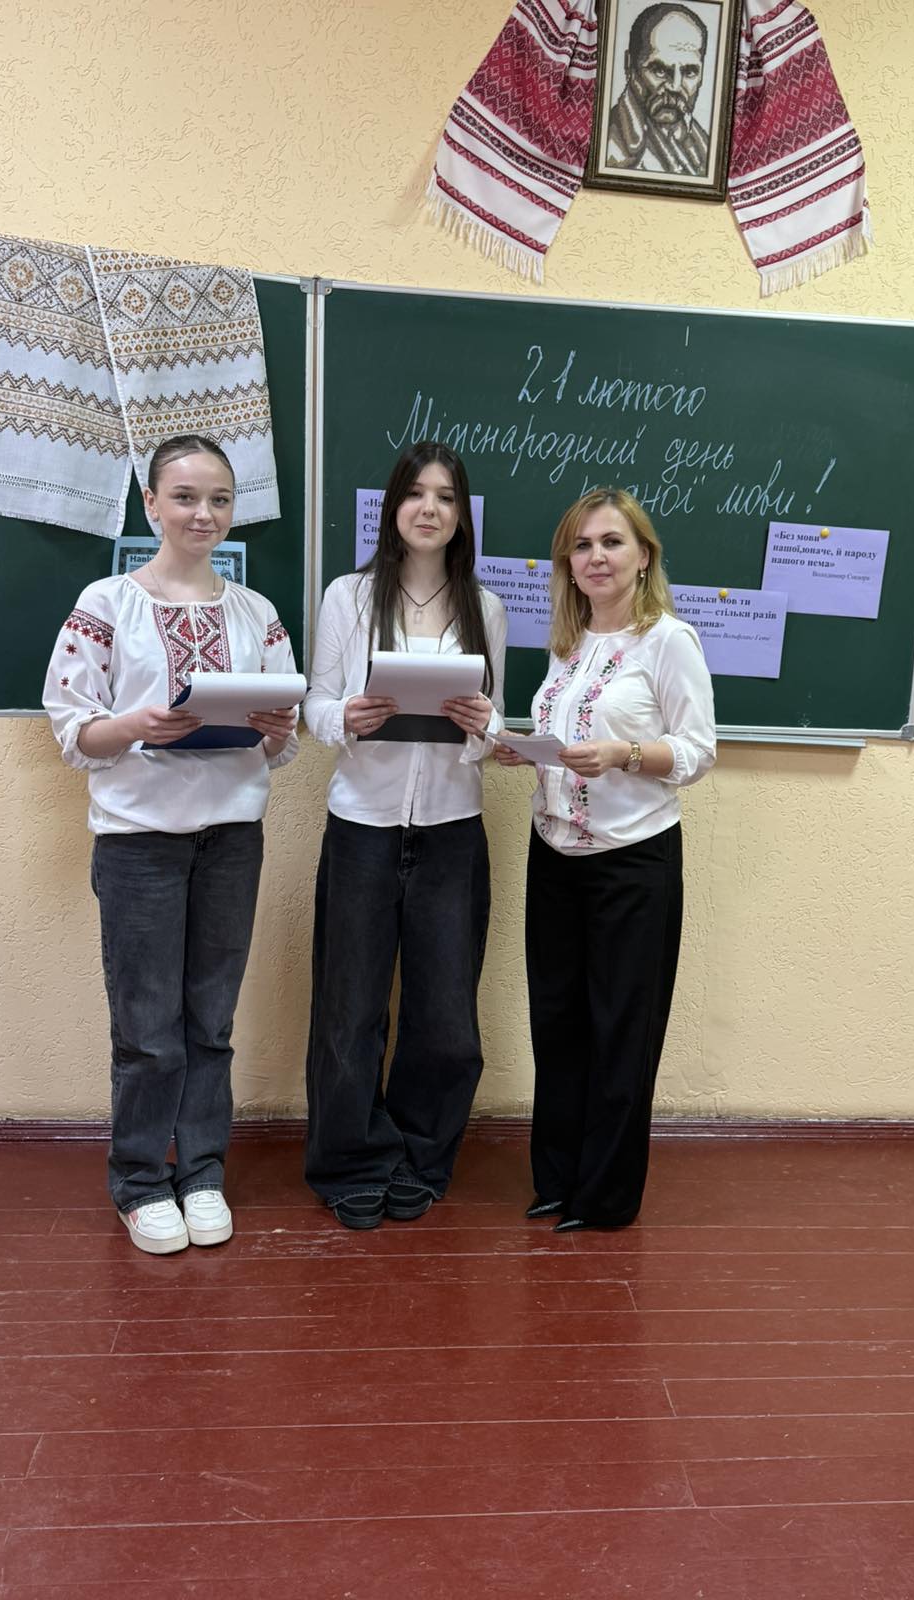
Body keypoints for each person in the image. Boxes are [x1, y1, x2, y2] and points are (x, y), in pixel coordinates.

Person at [42, 434, 300, 1256]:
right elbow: (72, 729)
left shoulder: (256, 613)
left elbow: (281, 744)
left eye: (219, 499)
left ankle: (202, 1171)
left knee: (210, 1020)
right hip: (140, 845)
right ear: (150, 504)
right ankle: (141, 1181)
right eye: (185, 497)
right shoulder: (106, 602)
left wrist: (274, 728)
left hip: (231, 839)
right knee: (148, 1029)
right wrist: (134, 726)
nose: (203, 514)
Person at [494, 488, 715, 1231]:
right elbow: (565, 740)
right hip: (555, 851)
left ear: (643, 555)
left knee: (622, 1027)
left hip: (632, 861)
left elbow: (698, 751)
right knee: (558, 1022)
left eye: (612, 542)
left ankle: (607, 1196)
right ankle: (557, 1180)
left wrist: (625, 754)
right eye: (581, 545)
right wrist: (523, 749)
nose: (595, 557)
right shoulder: (568, 643)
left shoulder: (669, 641)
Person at [303, 442, 507, 1230]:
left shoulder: (485, 607)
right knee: (349, 1009)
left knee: (445, 1014)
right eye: (417, 494)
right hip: (363, 824)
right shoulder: (349, 596)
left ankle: (421, 1154)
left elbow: (495, 724)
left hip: (452, 830)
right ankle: (350, 1160)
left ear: (462, 514)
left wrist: (486, 724)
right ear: (393, 506)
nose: (430, 509)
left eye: (446, 497)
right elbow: (316, 705)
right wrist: (346, 717)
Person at [606, 3, 711, 178]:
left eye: (689, 72)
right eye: (660, 70)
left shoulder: (704, 146)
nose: (675, 86)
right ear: (630, 64)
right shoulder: (611, 147)